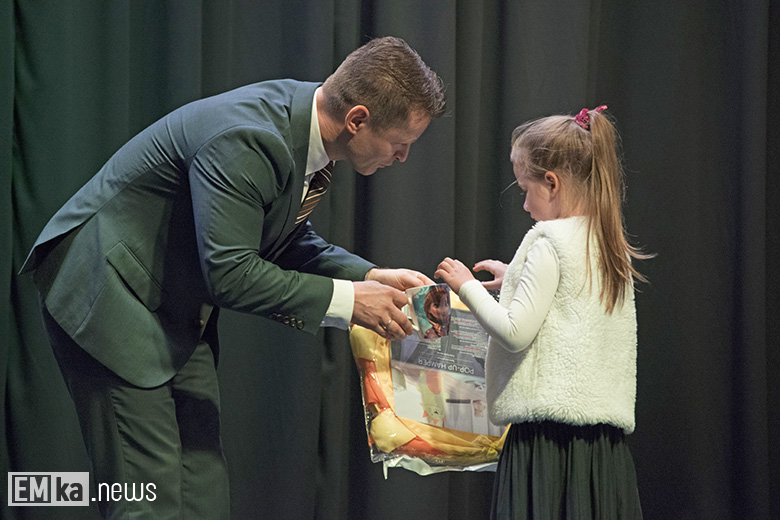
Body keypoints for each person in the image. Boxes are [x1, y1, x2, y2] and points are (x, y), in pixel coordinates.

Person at [20, 36, 445, 519]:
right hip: (111, 295)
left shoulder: (304, 125)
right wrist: (350, 301)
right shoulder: (249, 137)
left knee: (204, 493)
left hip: (174, 305)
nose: (402, 158)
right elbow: (230, 272)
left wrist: (370, 275)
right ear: (358, 120)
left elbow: (277, 236)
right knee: (150, 499)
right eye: (400, 144)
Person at [435, 106, 649, 519]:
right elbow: (569, 306)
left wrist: (464, 285)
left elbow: (514, 331)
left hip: (548, 447)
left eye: (525, 189)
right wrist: (514, 275)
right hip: (601, 450)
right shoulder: (607, 243)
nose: (524, 204)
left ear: (552, 183)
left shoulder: (549, 241)